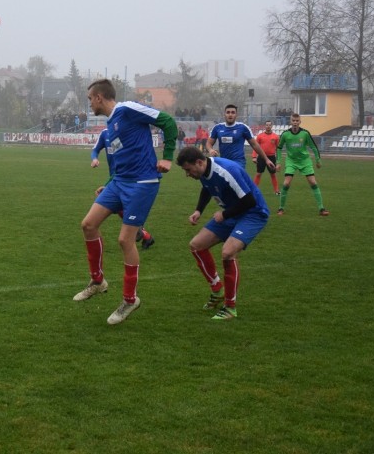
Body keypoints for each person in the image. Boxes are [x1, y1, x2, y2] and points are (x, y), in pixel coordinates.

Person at [73, 78, 177, 325]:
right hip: (119, 182)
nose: (89, 104)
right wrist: (109, 184)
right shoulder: (111, 126)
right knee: (88, 225)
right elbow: (120, 161)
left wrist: (169, 157)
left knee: (124, 240)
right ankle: (98, 282)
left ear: (99, 97)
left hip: (142, 183)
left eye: (90, 99)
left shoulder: (128, 109)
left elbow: (168, 122)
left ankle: (130, 300)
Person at [176, 147, 269, 320]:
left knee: (228, 252)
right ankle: (216, 288)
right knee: (196, 245)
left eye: (188, 170)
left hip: (253, 213)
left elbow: (249, 201)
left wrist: (224, 214)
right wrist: (198, 211)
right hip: (232, 213)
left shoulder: (227, 170)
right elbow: (206, 188)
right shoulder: (204, 171)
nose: (187, 174)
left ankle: (230, 307)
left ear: (199, 162)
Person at [91, 128, 155, 250]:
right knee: (120, 208)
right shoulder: (106, 134)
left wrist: (108, 184)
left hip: (125, 177)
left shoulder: (122, 135)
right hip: (116, 178)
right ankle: (144, 235)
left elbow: (122, 163)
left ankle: (141, 233)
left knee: (116, 207)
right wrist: (94, 158)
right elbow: (95, 149)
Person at [275, 113, 330, 216]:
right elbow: (279, 148)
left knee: (313, 183)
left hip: (305, 161)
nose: (295, 123)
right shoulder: (285, 134)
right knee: (286, 183)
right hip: (291, 161)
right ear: (290, 122)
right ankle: (281, 208)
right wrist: (278, 162)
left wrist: (318, 160)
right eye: (293, 121)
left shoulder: (305, 133)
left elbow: (313, 147)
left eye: (297, 121)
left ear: (300, 122)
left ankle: (321, 208)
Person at [207, 104, 275, 170]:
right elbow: (209, 143)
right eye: (228, 112)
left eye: (233, 112)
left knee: (236, 179)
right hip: (224, 162)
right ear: (224, 114)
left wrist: (266, 159)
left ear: (236, 115)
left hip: (238, 162)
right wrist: (211, 150)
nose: (230, 114)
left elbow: (255, 145)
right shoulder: (217, 128)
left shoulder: (243, 128)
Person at [253, 120, 280, 195]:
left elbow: (278, 149)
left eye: (269, 125)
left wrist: (278, 160)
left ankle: (276, 191)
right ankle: (253, 190)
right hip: (261, 157)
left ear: (272, 126)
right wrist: (254, 157)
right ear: (265, 126)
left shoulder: (275, 137)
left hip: (271, 158)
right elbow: (255, 147)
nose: (268, 126)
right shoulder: (260, 136)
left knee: (273, 174)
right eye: (267, 125)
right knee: (258, 174)